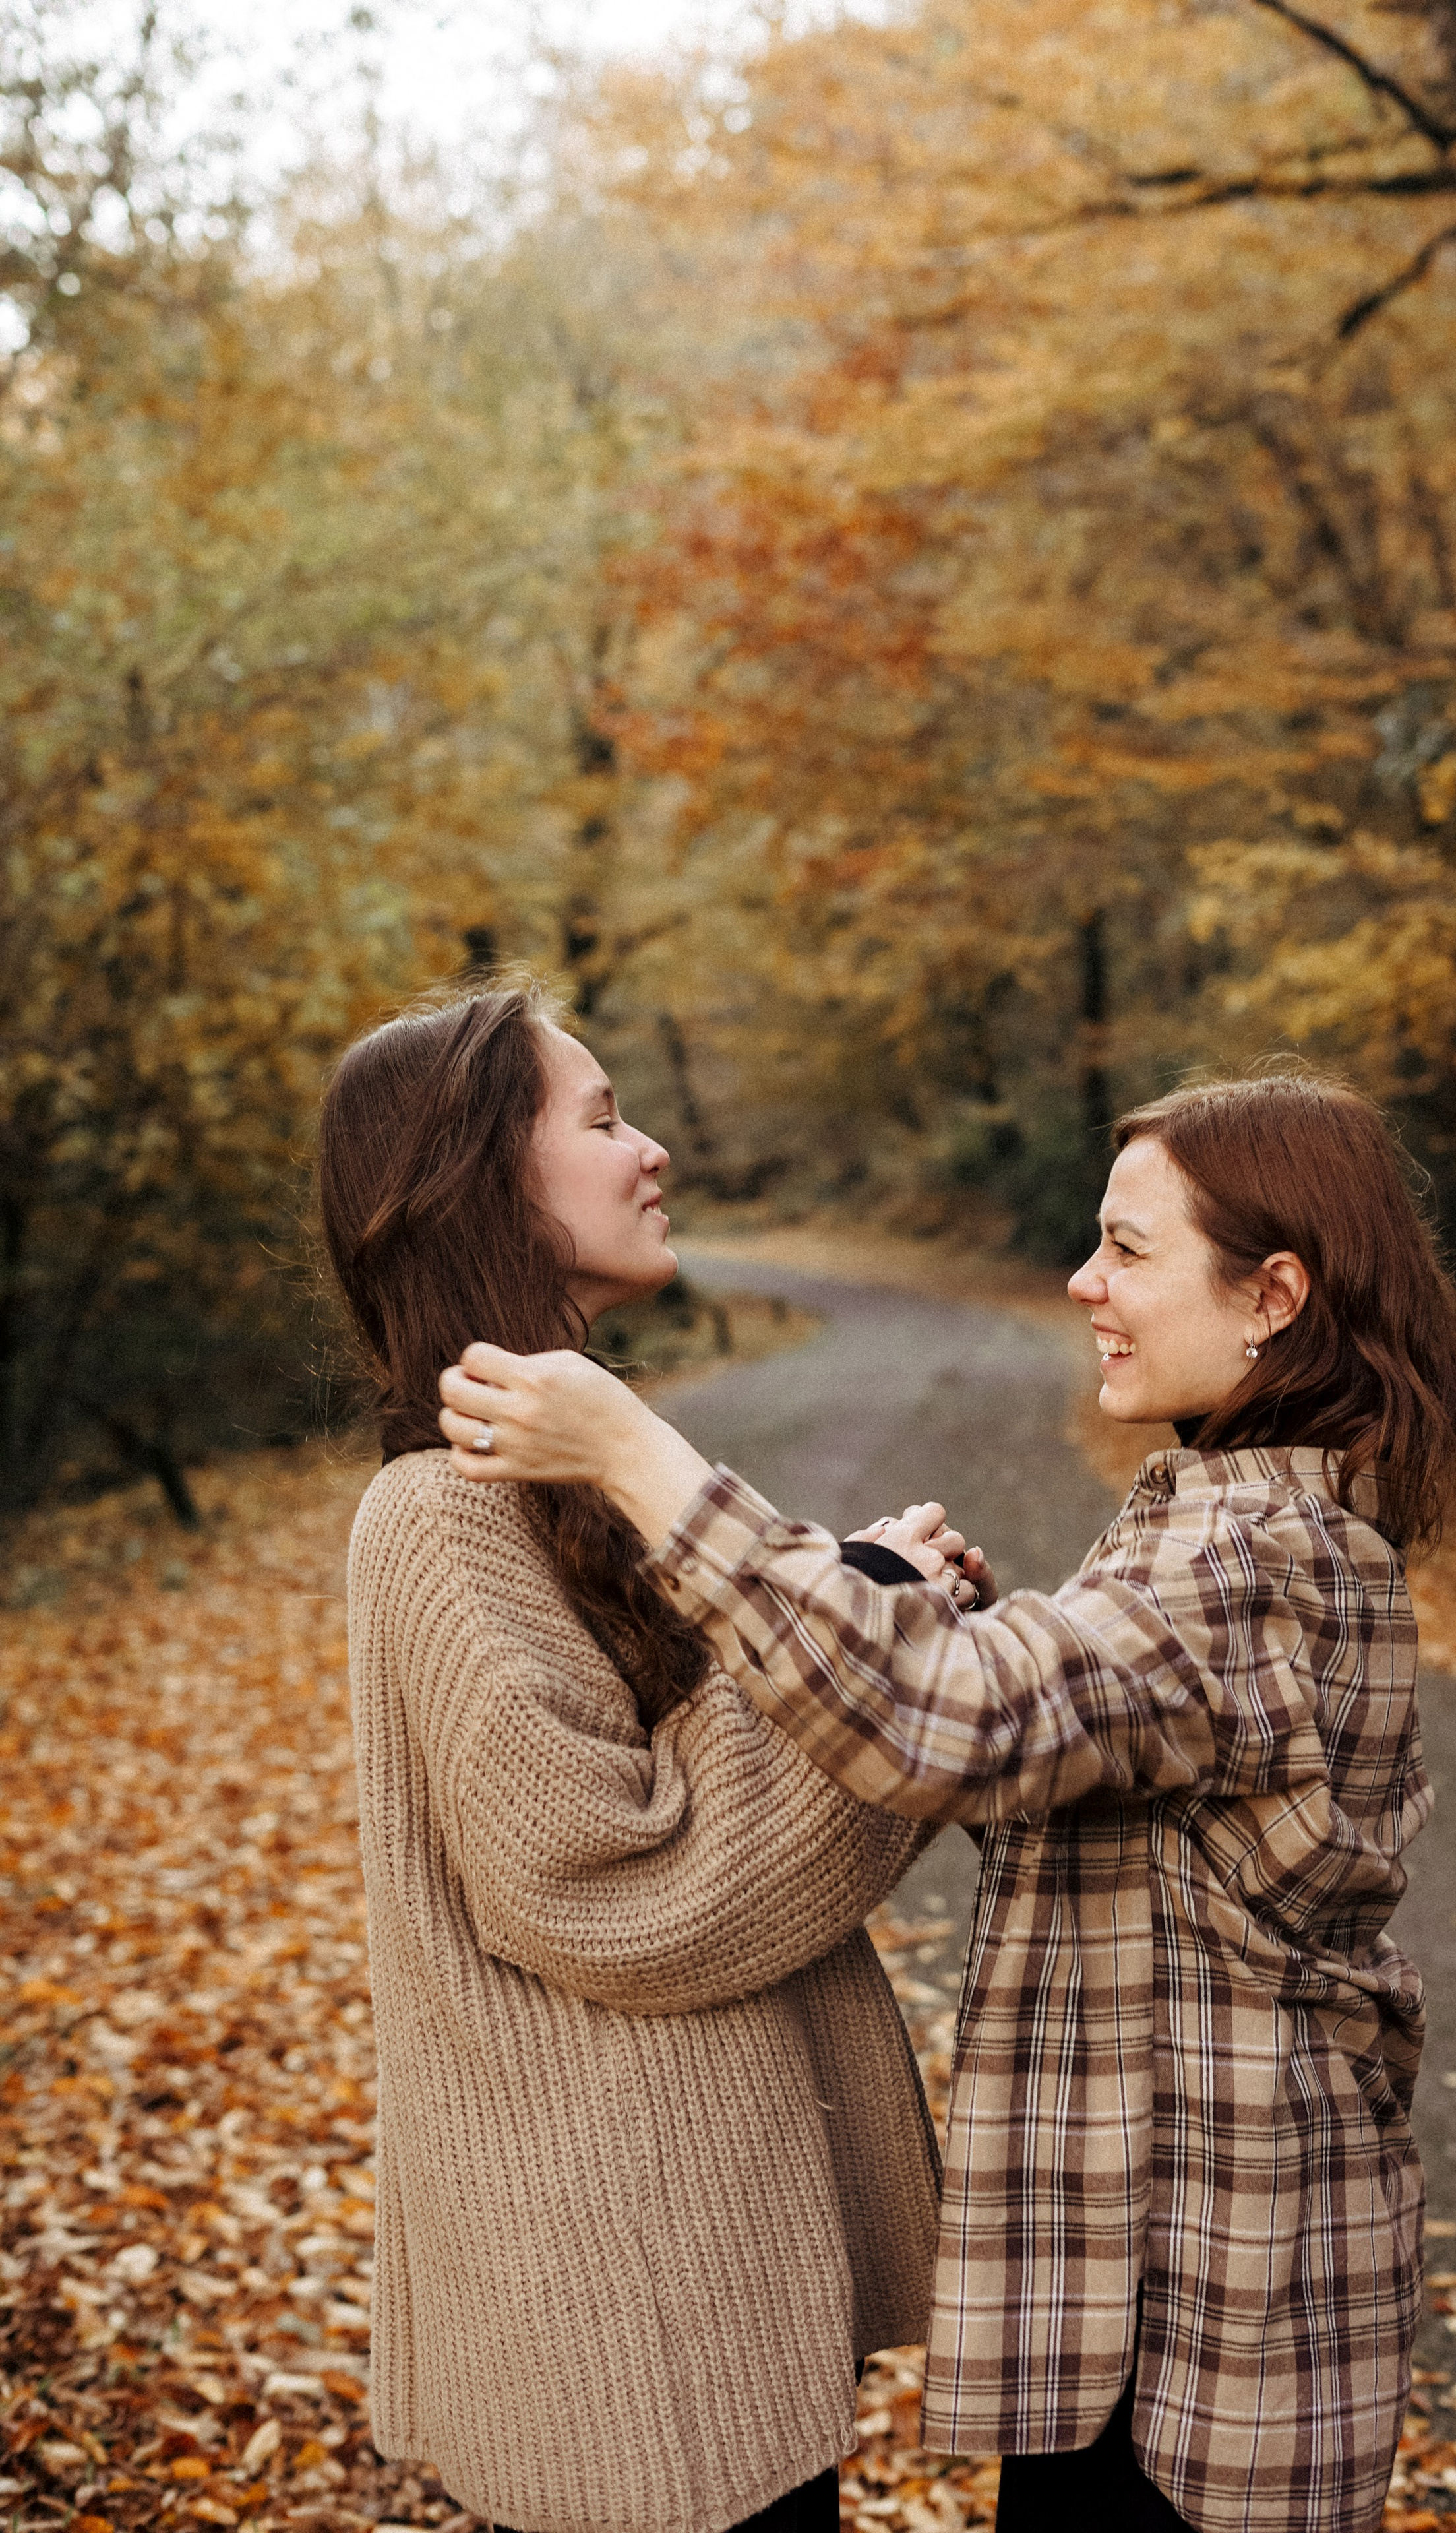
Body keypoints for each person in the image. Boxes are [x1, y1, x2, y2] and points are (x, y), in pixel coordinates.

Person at [437, 1071, 1456, 2533]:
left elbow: (953, 1725)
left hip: (1210, 2318)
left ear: (1271, 1297)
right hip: (1137, 2292)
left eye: (1126, 1249)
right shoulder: (1211, 1521)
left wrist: (635, 1453)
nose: (1079, 1280)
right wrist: (914, 1615)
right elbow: (1073, 1778)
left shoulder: (1257, 1559)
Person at [317, 980, 944, 2533]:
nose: (652, 1149)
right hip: (623, 2304)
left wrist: (860, 1593)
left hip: (694, 2261)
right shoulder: (442, 1517)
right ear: (481, 1185)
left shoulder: (570, 1473)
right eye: (601, 1119)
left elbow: (710, 1707)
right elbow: (616, 1887)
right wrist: (867, 1623)